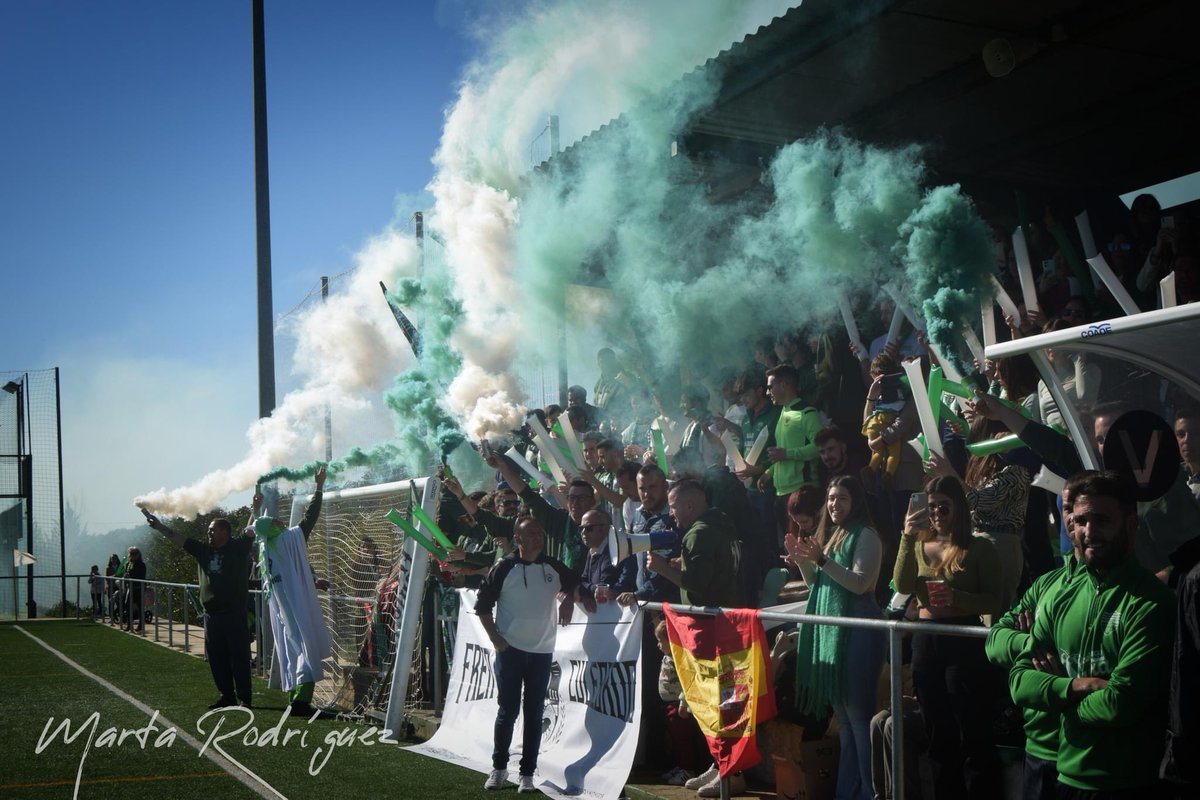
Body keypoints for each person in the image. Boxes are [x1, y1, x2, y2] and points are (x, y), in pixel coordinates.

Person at [1009, 471, 1175, 797]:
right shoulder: (1061, 593)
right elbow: (1018, 682)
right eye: (1082, 520)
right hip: (1065, 778)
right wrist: (1077, 687)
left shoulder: (1151, 603)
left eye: (1101, 520)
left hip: (1125, 783)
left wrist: (1054, 695)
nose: (1088, 531)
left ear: (1131, 524)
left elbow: (1120, 704)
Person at [893, 475, 1004, 800]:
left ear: (959, 507)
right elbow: (901, 585)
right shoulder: (916, 543)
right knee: (937, 729)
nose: (938, 513)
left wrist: (956, 598)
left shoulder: (980, 546)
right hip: (927, 641)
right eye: (932, 507)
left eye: (944, 506)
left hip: (963, 640)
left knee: (971, 725)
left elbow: (994, 601)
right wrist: (906, 534)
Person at [985, 472, 1088, 800]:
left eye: (1081, 510)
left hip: (1086, 760)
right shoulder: (1045, 584)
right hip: (1038, 750)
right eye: (1066, 507)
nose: (1072, 518)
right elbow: (994, 642)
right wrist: (1031, 644)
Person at [783, 475, 883, 800]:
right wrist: (802, 561)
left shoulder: (866, 534)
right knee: (844, 720)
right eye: (830, 498)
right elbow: (818, 587)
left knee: (858, 719)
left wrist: (821, 560)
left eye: (841, 498)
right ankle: (848, 791)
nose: (834, 504)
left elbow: (859, 583)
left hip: (858, 631)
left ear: (855, 502)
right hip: (834, 633)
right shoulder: (832, 535)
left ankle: (870, 791)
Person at [476, 515, 578, 793]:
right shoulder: (503, 568)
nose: (538, 537)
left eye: (540, 533)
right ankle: (498, 768)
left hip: (543, 653)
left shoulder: (553, 566)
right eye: (531, 533)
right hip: (511, 652)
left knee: (534, 713)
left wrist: (569, 597)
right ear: (517, 538)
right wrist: (496, 639)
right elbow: (482, 606)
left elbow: (576, 582)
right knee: (507, 711)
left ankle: (527, 774)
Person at [146, 506, 256, 709]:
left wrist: (256, 508)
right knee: (216, 658)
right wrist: (159, 526)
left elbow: (250, 529)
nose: (209, 533)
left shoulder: (238, 548)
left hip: (233, 613)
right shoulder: (203, 551)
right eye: (209, 530)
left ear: (225, 532)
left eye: (213, 530)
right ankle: (226, 695)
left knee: (239, 656)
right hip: (212, 615)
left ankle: (245, 698)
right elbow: (178, 538)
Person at [252, 466, 334, 717]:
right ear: (272, 528)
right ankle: (301, 702)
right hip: (297, 605)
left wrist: (256, 510)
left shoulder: (265, 548)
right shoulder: (288, 539)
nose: (280, 522)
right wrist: (319, 486)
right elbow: (310, 517)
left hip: (281, 608)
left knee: (291, 648)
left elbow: (291, 567)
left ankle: (294, 697)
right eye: (275, 522)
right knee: (306, 645)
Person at [652, 479, 743, 608]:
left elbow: (696, 584)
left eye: (673, 507)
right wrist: (685, 562)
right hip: (728, 612)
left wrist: (661, 568)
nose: (670, 513)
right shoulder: (722, 521)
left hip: (708, 620)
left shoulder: (698, 534)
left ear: (689, 506)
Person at [123, 546, 147, 633]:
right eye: (131, 554)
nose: (133, 556)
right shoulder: (128, 564)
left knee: (140, 607)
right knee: (127, 604)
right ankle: (130, 624)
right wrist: (125, 578)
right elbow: (125, 574)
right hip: (130, 587)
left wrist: (131, 575)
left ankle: (141, 624)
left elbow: (141, 577)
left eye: (135, 553)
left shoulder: (141, 565)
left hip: (138, 588)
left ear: (138, 554)